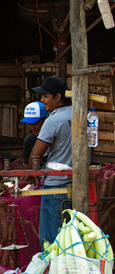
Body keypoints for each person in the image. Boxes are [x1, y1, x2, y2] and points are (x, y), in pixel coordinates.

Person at [29, 77, 73, 248]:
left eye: (45, 96)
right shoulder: (79, 114)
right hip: (75, 184)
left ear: (58, 97)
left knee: (51, 240)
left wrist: (30, 175)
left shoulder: (53, 120)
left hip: (55, 187)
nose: (42, 100)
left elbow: (36, 154)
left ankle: (53, 273)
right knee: (69, 238)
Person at [20, 101, 49, 167]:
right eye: (29, 124)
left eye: (35, 123)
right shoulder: (29, 140)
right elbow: (27, 167)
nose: (32, 127)